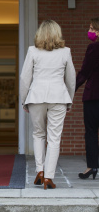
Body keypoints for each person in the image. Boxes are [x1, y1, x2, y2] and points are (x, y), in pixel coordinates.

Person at [20, 20, 75, 190]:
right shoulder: (65, 52)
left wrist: (24, 100)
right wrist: (69, 100)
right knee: (54, 138)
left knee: (38, 134)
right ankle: (49, 178)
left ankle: (40, 171)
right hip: (58, 97)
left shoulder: (32, 51)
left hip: (36, 96)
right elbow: (71, 79)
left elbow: (24, 78)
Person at [76, 17, 99, 180]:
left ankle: (92, 167)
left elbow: (84, 72)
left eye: (93, 28)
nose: (90, 31)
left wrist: (70, 90)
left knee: (91, 132)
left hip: (93, 96)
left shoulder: (94, 48)